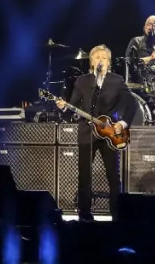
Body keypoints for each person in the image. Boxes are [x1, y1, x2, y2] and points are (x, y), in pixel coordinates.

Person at [56, 45, 136, 221]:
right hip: (86, 133)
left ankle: (117, 214)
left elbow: (132, 104)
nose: (101, 60)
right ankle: (84, 215)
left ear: (109, 62)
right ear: (91, 62)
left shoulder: (117, 80)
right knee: (84, 175)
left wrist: (122, 124)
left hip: (109, 134)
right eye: (97, 57)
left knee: (113, 176)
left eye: (104, 57)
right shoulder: (82, 81)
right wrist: (64, 107)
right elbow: (73, 107)